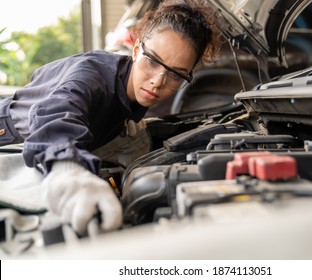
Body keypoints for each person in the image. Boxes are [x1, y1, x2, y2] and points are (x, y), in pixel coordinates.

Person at [0, 0, 221, 236]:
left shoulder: (131, 85)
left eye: (176, 75)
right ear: (136, 50)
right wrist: (68, 169)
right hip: (11, 140)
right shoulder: (90, 77)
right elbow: (55, 113)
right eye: (153, 61)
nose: (158, 82)